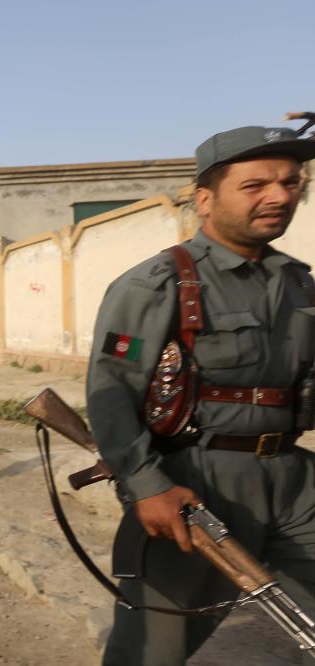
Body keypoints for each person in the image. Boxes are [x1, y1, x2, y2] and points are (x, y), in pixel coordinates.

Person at [87, 125, 315, 664]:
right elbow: (111, 392)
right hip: (195, 489)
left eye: (291, 182)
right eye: (256, 185)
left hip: (295, 481)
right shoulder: (159, 282)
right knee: (150, 651)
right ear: (206, 199)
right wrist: (146, 486)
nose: (280, 196)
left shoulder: (300, 283)